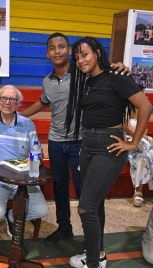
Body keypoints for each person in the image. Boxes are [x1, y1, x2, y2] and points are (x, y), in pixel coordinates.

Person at [20, 32, 131, 246]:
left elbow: (109, 84)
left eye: (61, 46)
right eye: (52, 48)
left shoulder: (84, 73)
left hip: (82, 142)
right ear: (47, 54)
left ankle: (92, 239)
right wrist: (19, 115)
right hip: (56, 142)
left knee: (85, 191)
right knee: (60, 187)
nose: (57, 51)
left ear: (69, 50)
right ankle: (64, 228)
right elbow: (43, 102)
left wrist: (120, 68)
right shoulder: (47, 81)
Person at [65, 36, 152, 268]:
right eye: (77, 57)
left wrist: (133, 142)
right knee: (96, 204)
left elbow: (146, 106)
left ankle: (92, 264)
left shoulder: (117, 76)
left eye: (85, 54)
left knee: (85, 208)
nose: (81, 60)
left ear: (97, 53)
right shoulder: (87, 81)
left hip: (109, 145)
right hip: (88, 144)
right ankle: (99, 255)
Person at [0, 85, 49, 245]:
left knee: (42, 210)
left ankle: (13, 216)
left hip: (22, 179)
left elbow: (37, 151)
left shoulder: (27, 124)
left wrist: (34, 159)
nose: (7, 102)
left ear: (18, 103)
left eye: (12, 99)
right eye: (3, 98)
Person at [124, 85, 153, 207]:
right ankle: (138, 191)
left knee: (146, 153)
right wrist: (144, 138)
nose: (146, 97)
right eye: (143, 94)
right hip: (128, 139)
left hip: (142, 139)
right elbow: (127, 129)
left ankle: (138, 191)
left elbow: (144, 130)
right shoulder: (125, 108)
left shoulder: (143, 110)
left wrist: (145, 138)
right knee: (144, 153)